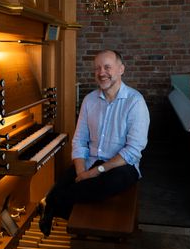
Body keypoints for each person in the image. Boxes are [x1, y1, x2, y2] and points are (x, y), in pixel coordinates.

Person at [39, 49, 150, 236]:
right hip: (91, 160)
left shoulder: (135, 102)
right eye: (97, 68)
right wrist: (82, 171)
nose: (101, 72)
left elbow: (133, 150)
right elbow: (79, 140)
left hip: (120, 166)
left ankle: (51, 204)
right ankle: (60, 208)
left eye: (107, 67)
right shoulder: (89, 100)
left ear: (121, 69)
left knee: (98, 186)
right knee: (67, 182)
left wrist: (95, 172)